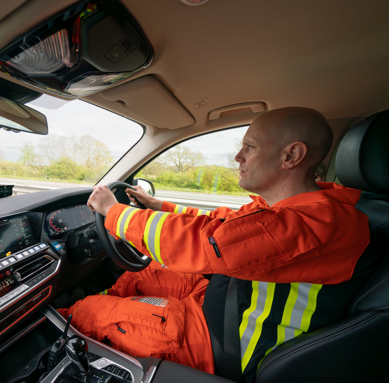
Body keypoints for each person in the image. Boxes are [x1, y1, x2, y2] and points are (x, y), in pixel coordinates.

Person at [59, 107, 371, 382]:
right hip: (232, 304)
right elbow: (220, 225)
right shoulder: (299, 208)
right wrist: (157, 205)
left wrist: (112, 211)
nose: (238, 157)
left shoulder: (316, 223)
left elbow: (205, 243)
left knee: (88, 312)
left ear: (291, 155)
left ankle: (75, 320)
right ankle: (108, 308)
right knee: (145, 274)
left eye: (249, 147)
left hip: (227, 344)